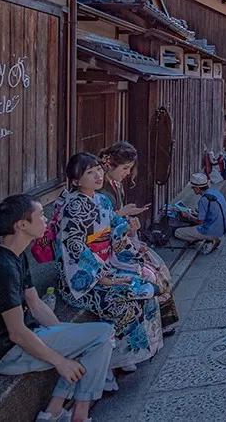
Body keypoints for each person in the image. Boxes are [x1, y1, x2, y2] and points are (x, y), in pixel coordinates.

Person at [0, 194, 116, 422]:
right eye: (41, 216)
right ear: (22, 225)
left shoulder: (15, 256)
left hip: (23, 338)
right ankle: (75, 414)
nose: (46, 221)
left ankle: (56, 411)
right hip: (4, 353)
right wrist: (61, 360)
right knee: (103, 334)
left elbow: (35, 305)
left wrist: (67, 335)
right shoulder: (0, 269)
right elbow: (17, 333)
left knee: (97, 338)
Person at [54, 153, 163, 371]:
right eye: (89, 172)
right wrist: (101, 277)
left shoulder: (102, 200)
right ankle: (110, 363)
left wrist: (128, 228)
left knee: (147, 285)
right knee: (126, 298)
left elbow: (115, 229)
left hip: (106, 266)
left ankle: (135, 350)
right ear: (75, 181)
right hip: (83, 278)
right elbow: (75, 247)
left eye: (98, 170)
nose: (97, 175)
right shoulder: (71, 207)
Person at [99, 141, 180, 336]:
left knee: (158, 268)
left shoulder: (115, 185)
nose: (127, 173)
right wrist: (121, 214)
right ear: (109, 165)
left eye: (129, 168)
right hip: (108, 250)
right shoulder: (100, 191)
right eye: (125, 168)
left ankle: (163, 323)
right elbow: (100, 225)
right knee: (149, 273)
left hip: (122, 241)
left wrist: (127, 218)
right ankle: (153, 329)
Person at [174, 173, 226, 253]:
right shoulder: (215, 192)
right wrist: (196, 213)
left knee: (178, 232)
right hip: (223, 228)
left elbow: (200, 221)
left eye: (193, 188)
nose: (193, 190)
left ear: (197, 188)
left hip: (212, 230)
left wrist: (189, 216)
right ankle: (210, 239)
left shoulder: (203, 200)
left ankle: (209, 239)